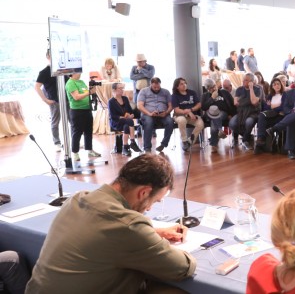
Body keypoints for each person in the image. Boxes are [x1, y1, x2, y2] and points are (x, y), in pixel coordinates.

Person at [26, 154, 196, 293]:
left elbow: (102, 233)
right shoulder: (128, 227)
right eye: (155, 201)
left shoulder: (79, 198)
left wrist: (154, 232)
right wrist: (151, 238)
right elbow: (182, 268)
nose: (150, 208)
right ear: (144, 192)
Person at [65, 72, 101, 161]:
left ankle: (89, 149)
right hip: (77, 111)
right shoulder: (70, 83)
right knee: (77, 132)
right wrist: (89, 92)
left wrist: (92, 89)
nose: (80, 73)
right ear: (72, 73)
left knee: (88, 130)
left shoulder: (81, 82)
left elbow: (87, 92)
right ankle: (75, 152)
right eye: (78, 71)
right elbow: (76, 97)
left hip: (87, 109)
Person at [35, 49, 64, 151]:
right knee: (55, 122)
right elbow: (37, 87)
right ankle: (57, 142)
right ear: (48, 57)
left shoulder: (63, 69)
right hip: (54, 101)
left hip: (67, 99)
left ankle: (72, 141)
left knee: (71, 120)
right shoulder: (44, 72)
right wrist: (45, 100)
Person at [137, 77, 174, 153]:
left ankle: (164, 144)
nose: (156, 89)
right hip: (148, 114)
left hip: (163, 114)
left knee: (170, 122)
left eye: (158, 87)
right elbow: (140, 106)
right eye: (154, 87)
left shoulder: (166, 92)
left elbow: (171, 105)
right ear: (150, 84)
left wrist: (166, 112)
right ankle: (147, 147)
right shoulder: (143, 91)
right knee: (149, 122)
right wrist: (149, 113)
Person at [229, 73, 262, 149]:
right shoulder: (239, 89)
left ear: (252, 81)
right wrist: (247, 101)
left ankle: (245, 140)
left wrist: (251, 89)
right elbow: (236, 103)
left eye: (246, 80)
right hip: (241, 113)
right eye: (243, 79)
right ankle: (247, 136)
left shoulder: (257, 89)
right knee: (232, 123)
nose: (243, 81)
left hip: (253, 113)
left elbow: (254, 102)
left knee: (249, 122)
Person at [201, 78, 235, 152]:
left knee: (214, 120)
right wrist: (212, 98)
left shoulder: (224, 92)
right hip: (210, 114)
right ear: (207, 89)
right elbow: (203, 107)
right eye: (211, 88)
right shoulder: (205, 95)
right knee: (214, 116)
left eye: (214, 86)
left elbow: (231, 104)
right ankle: (219, 131)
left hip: (223, 113)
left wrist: (231, 114)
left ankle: (214, 144)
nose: (213, 89)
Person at [170, 78, 204, 152]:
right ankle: (184, 141)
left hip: (192, 115)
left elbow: (199, 104)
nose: (184, 85)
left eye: (185, 83)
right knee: (181, 120)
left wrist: (191, 110)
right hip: (179, 116)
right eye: (181, 84)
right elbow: (176, 110)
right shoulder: (174, 96)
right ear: (177, 87)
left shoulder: (192, 93)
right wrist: (187, 112)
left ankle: (189, 142)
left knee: (200, 124)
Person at [108, 83, 141, 156]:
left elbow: (129, 110)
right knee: (129, 121)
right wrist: (124, 117)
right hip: (116, 122)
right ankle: (132, 141)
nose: (122, 90)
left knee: (127, 126)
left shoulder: (125, 98)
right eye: (120, 88)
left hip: (126, 122)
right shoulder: (111, 101)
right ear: (114, 90)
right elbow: (113, 116)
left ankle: (125, 147)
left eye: (122, 88)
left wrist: (131, 114)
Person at [255, 78, 287, 154]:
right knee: (262, 117)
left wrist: (272, 106)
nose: (277, 86)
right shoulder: (270, 96)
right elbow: (266, 108)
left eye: (278, 84)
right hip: (271, 115)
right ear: (272, 86)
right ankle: (260, 140)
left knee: (262, 119)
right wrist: (276, 107)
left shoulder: (284, 94)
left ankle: (260, 140)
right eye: (274, 84)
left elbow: (283, 107)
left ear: (281, 85)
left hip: (280, 117)